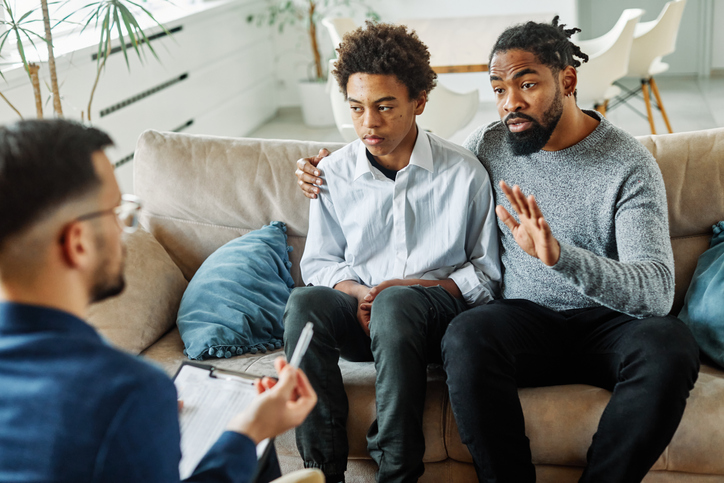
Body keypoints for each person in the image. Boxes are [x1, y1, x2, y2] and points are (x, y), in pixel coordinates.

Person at [295, 17, 700, 483]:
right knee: (467, 335)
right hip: (524, 321)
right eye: (499, 89)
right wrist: (329, 164)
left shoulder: (628, 165)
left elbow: (655, 293)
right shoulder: (490, 146)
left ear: (568, 80)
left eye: (527, 84)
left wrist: (560, 257)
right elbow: (406, 159)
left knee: (671, 343)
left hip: (609, 326)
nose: (511, 103)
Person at [0, 119, 317, 483]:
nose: (124, 229)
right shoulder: (126, 390)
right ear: (78, 243)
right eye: (117, 213)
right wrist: (249, 431)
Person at [283, 22, 501, 483]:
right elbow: (320, 262)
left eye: (385, 107)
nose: (369, 124)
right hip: (362, 315)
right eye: (357, 108)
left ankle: (398, 470)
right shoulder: (333, 173)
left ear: (419, 102)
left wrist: (410, 288)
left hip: (433, 320)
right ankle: (321, 471)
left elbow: (485, 276)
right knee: (304, 302)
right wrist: (361, 292)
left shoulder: (463, 173)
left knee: (398, 302)